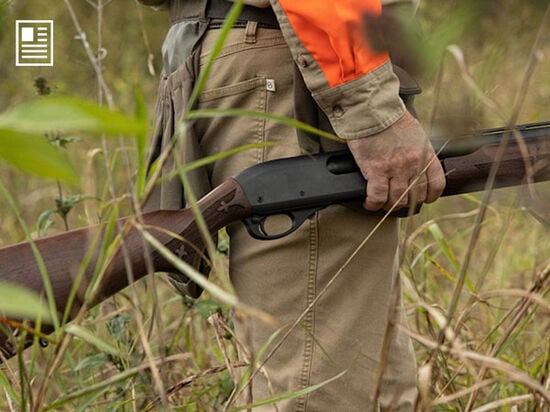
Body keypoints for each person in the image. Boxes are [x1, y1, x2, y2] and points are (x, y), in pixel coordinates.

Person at [139, 0, 446, 410]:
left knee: (370, 391)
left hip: (272, 60)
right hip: (301, 68)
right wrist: (371, 111)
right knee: (322, 391)